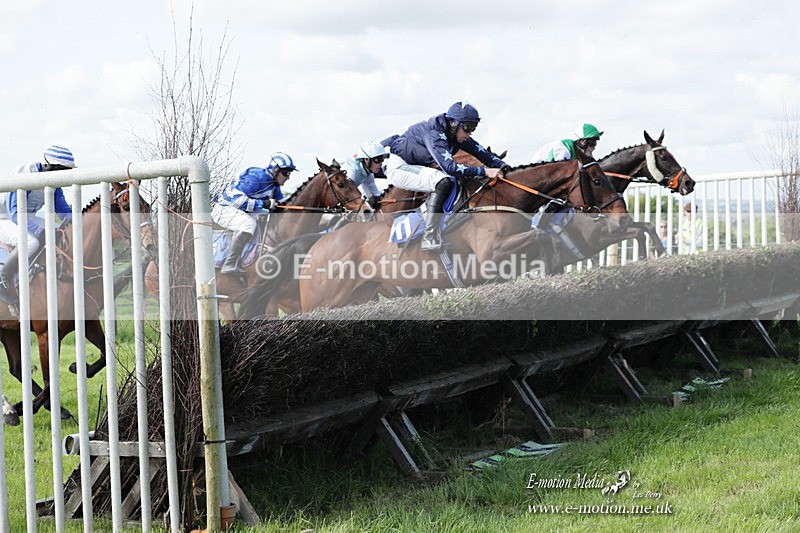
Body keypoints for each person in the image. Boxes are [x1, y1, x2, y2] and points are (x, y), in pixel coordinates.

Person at [382, 101, 507, 252]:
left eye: (473, 128)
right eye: (467, 128)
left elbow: (483, 154)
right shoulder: (435, 134)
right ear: (453, 123)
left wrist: (504, 167)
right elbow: (450, 167)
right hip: (399, 167)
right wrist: (485, 171)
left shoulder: (457, 134)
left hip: (415, 165)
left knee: (453, 181)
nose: (470, 133)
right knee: (443, 181)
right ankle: (429, 236)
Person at [0, 145, 75, 306]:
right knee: (31, 242)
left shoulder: (53, 182)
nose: (64, 176)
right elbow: (15, 214)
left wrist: (82, 222)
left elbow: (63, 212)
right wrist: (39, 231)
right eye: (61, 171)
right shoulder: (26, 174)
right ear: (48, 166)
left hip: (25, 216)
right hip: (5, 218)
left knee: (59, 230)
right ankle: (3, 278)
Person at [211, 151, 297, 274]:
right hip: (224, 209)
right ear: (275, 170)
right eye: (286, 172)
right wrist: (265, 204)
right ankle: (229, 264)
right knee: (248, 224)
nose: (288, 177)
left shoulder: (274, 185)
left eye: (289, 173)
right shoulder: (254, 177)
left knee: (267, 217)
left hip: (240, 210)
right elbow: (237, 200)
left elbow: (284, 205)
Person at [345, 141, 388, 210]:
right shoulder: (352, 171)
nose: (381, 164)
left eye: (382, 159)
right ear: (366, 160)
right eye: (377, 160)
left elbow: (375, 192)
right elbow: (347, 193)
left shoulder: (368, 173)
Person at [531, 122, 603, 163]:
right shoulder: (564, 150)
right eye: (593, 143)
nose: (594, 148)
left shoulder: (576, 152)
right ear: (582, 142)